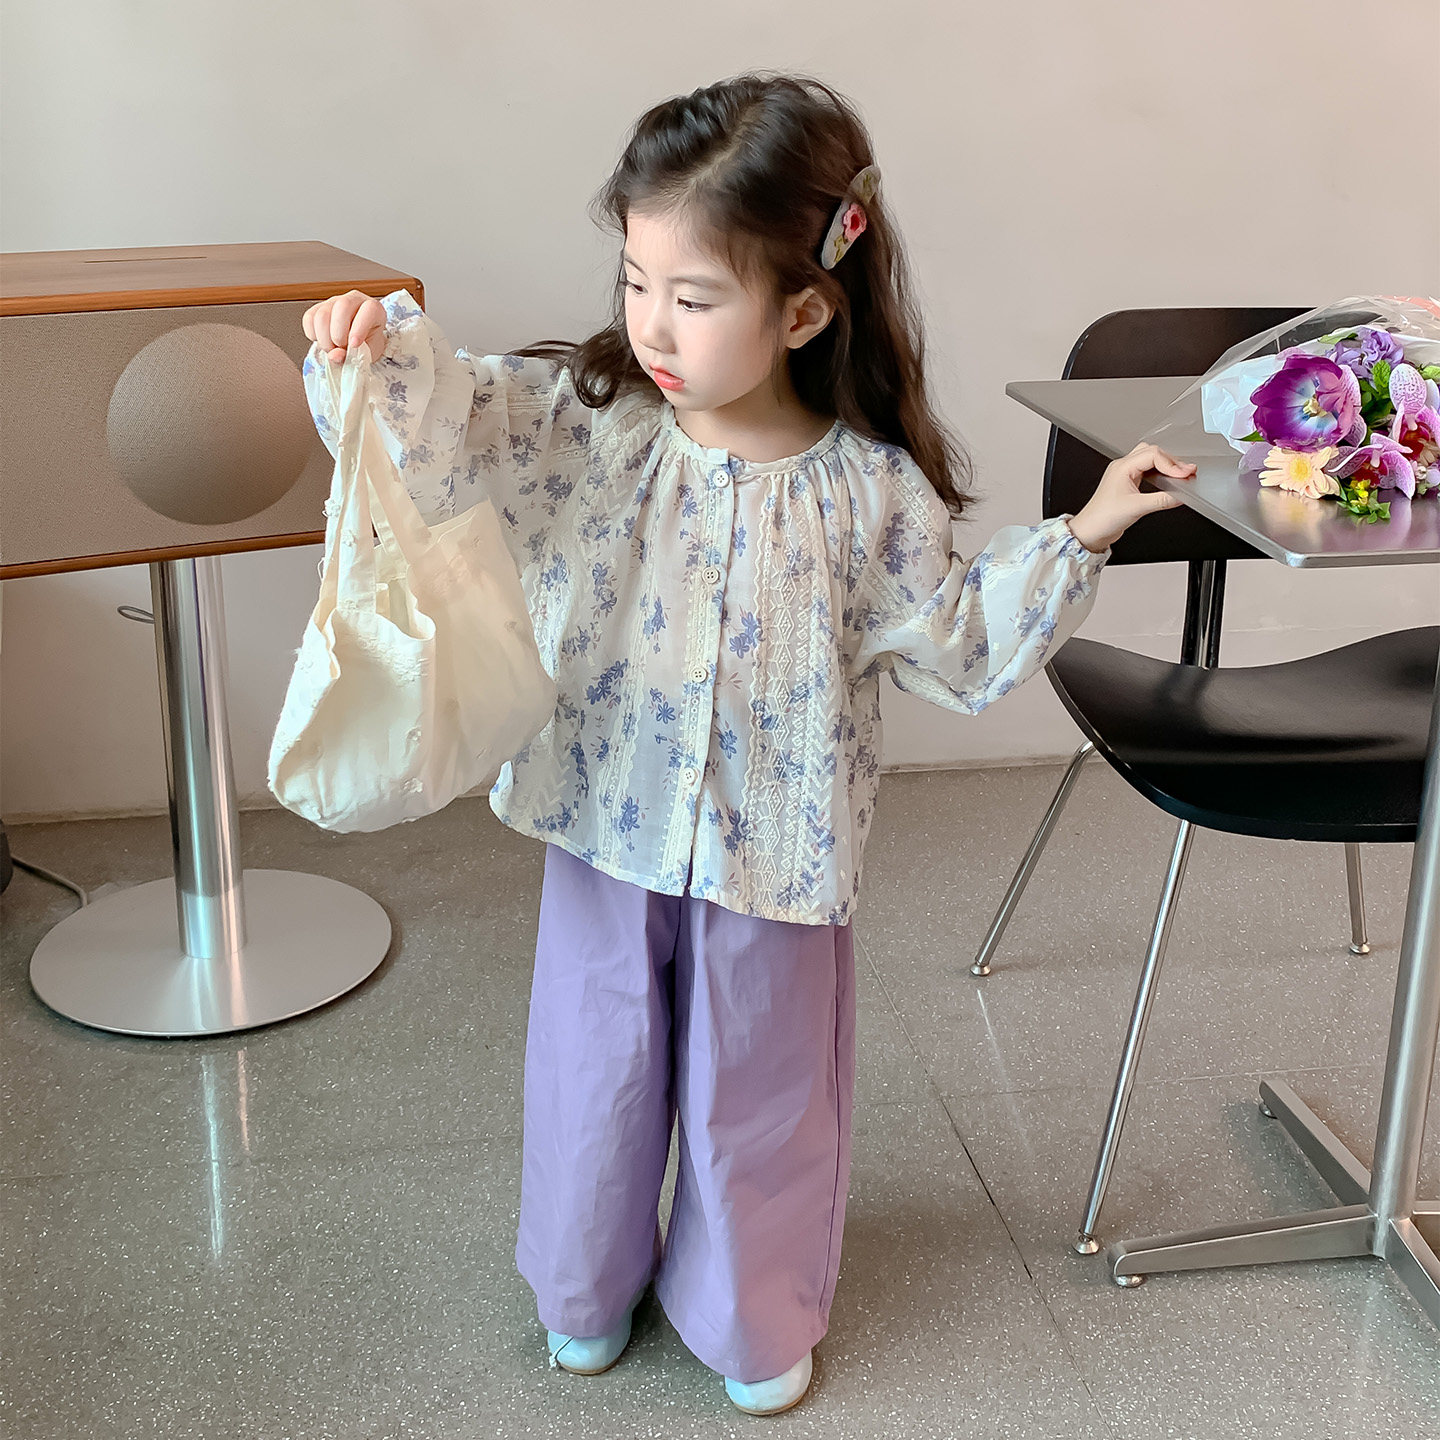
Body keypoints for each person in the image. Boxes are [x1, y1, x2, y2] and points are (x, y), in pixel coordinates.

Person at [299, 71, 1194, 1418]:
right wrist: (366, 351)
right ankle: (584, 1287)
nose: (652, 326)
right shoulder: (589, 430)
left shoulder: (872, 494)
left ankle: (752, 1310)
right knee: (594, 1064)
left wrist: (1088, 531)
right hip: (606, 814)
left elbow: (956, 641)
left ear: (805, 309)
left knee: (763, 1085)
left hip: (777, 844)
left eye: (695, 297)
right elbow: (445, 424)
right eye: (635, 282)